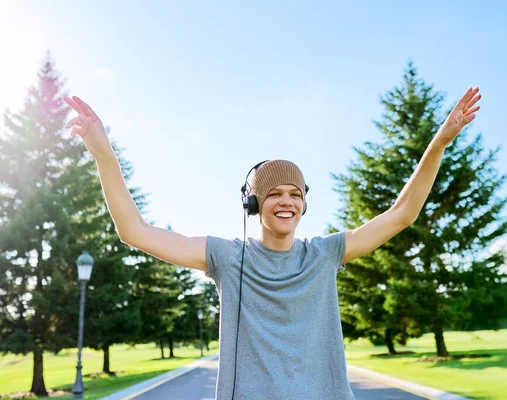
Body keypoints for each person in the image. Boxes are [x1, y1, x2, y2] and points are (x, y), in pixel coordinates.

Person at [63, 86, 481, 400]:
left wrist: (441, 140)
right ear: (254, 202)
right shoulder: (226, 257)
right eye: (276, 192)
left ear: (304, 204)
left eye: (296, 194)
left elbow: (401, 214)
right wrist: (104, 155)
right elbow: (135, 231)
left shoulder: (325, 254)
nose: (287, 201)